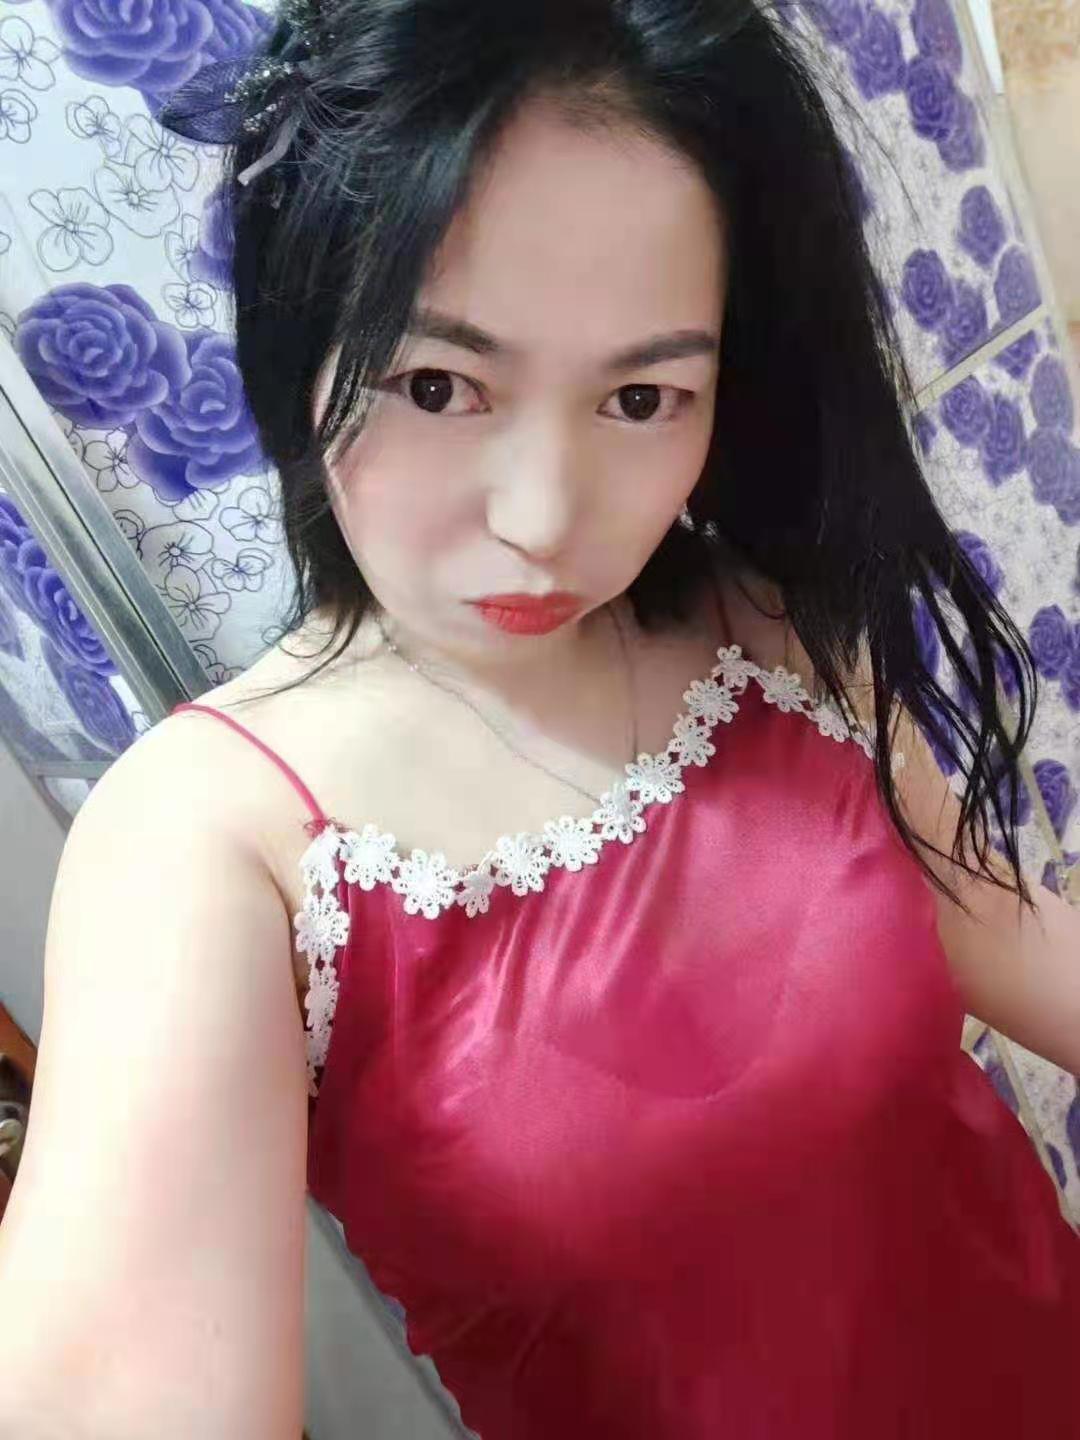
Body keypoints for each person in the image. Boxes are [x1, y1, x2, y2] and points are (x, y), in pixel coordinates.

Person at [2, 1, 1079, 1436]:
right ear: (302, 340)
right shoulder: (211, 845)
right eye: (439, 384)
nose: (543, 518)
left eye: (641, 397)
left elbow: (1006, 931)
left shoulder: (763, 624)